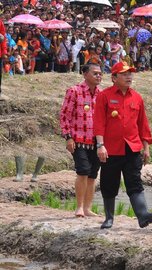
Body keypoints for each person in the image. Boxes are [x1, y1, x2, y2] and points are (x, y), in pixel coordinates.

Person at [93, 61, 152, 229]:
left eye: (130, 73)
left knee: (134, 181)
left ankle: (143, 216)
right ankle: (109, 218)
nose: (129, 76)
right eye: (124, 74)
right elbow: (99, 123)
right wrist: (100, 145)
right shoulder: (105, 96)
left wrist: (146, 148)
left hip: (132, 148)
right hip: (111, 148)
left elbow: (143, 125)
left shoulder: (137, 97)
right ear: (114, 77)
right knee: (109, 183)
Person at [59, 64, 103, 217]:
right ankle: (78, 207)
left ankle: (87, 208)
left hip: (96, 141)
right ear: (85, 74)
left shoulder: (101, 94)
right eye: (95, 73)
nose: (98, 76)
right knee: (83, 171)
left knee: (92, 175)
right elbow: (65, 115)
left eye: (100, 73)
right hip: (78, 140)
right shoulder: (74, 91)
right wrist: (68, 137)